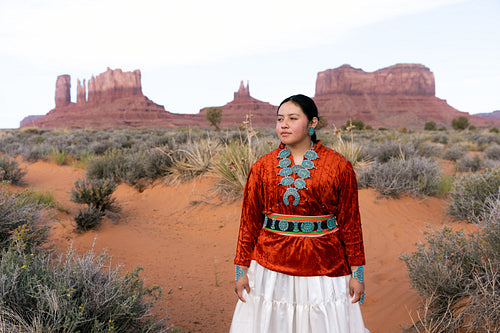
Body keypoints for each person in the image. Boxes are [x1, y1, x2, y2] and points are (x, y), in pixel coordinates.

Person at [230, 94, 368, 333]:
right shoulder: (261, 167)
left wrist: (358, 273)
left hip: (324, 270)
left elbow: (351, 223)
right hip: (270, 270)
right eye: (279, 119)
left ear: (312, 123)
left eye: (293, 118)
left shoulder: (339, 166)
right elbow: (249, 221)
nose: (284, 125)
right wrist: (240, 270)